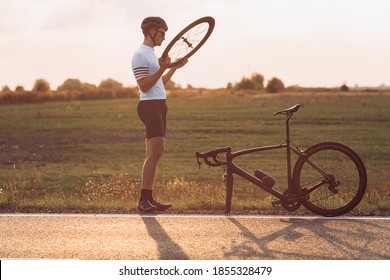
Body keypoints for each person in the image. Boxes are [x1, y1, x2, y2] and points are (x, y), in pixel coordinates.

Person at [132, 17, 188, 212]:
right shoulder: (140, 55)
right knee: (157, 151)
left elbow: (158, 83)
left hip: (160, 104)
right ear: (152, 31)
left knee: (152, 153)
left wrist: (172, 69)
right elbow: (144, 86)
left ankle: (148, 198)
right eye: (162, 33)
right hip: (149, 106)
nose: (165, 38)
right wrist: (163, 67)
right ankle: (143, 200)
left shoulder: (151, 54)